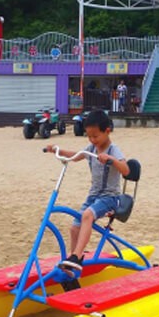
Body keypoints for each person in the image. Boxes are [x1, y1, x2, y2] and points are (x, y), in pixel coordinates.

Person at [45, 109, 130, 276]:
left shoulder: (113, 150)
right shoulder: (91, 147)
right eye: (89, 136)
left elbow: (126, 170)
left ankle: (76, 256)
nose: (92, 140)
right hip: (93, 196)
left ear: (107, 131)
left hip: (110, 198)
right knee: (74, 227)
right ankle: (73, 259)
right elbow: (76, 156)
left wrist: (111, 160)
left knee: (87, 216)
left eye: (95, 136)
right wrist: (57, 150)